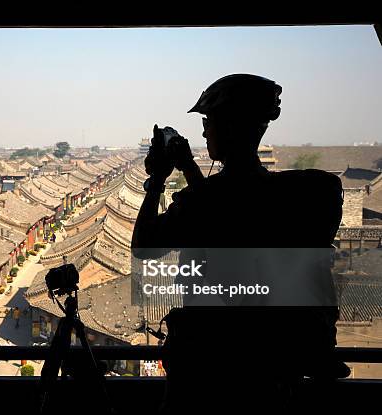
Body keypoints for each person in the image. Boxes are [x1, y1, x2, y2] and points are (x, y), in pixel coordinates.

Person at [132, 74, 349, 413]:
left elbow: (144, 247)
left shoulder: (203, 202)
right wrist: (189, 167)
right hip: (272, 371)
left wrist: (157, 180)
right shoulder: (290, 198)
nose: (204, 132)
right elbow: (228, 215)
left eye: (209, 123)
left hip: (209, 374)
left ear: (229, 127)